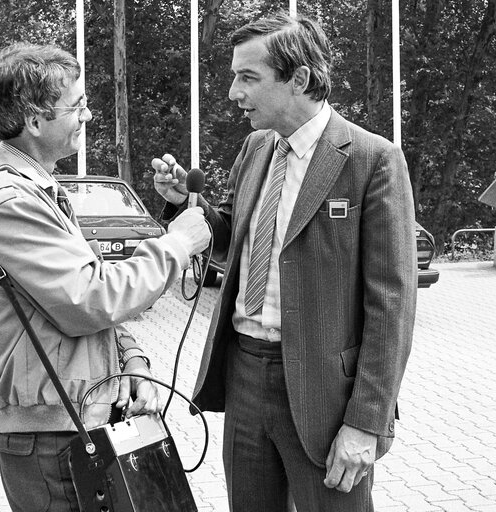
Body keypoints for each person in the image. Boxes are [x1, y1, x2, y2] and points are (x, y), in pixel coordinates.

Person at [152, 11, 417, 512]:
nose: (233, 92)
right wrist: (182, 207)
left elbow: (392, 307)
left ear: (298, 79)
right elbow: (232, 240)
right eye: (235, 76)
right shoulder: (255, 147)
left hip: (326, 396)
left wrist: (365, 422)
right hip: (244, 375)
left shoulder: (372, 159)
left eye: (248, 77)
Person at [0, 42, 210, 512]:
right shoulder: (10, 200)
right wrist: (177, 243)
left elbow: (83, 302)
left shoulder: (37, 189)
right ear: (33, 120)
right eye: (78, 105)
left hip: (75, 425)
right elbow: (90, 300)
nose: (87, 116)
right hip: (53, 443)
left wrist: (134, 363)